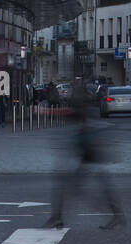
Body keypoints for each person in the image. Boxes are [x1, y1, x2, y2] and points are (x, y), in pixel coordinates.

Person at [46, 83, 124, 230]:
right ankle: (116, 215)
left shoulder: (80, 107)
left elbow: (69, 112)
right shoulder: (86, 106)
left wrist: (45, 111)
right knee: (98, 186)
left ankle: (58, 218)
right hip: (88, 154)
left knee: (69, 185)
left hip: (89, 155)